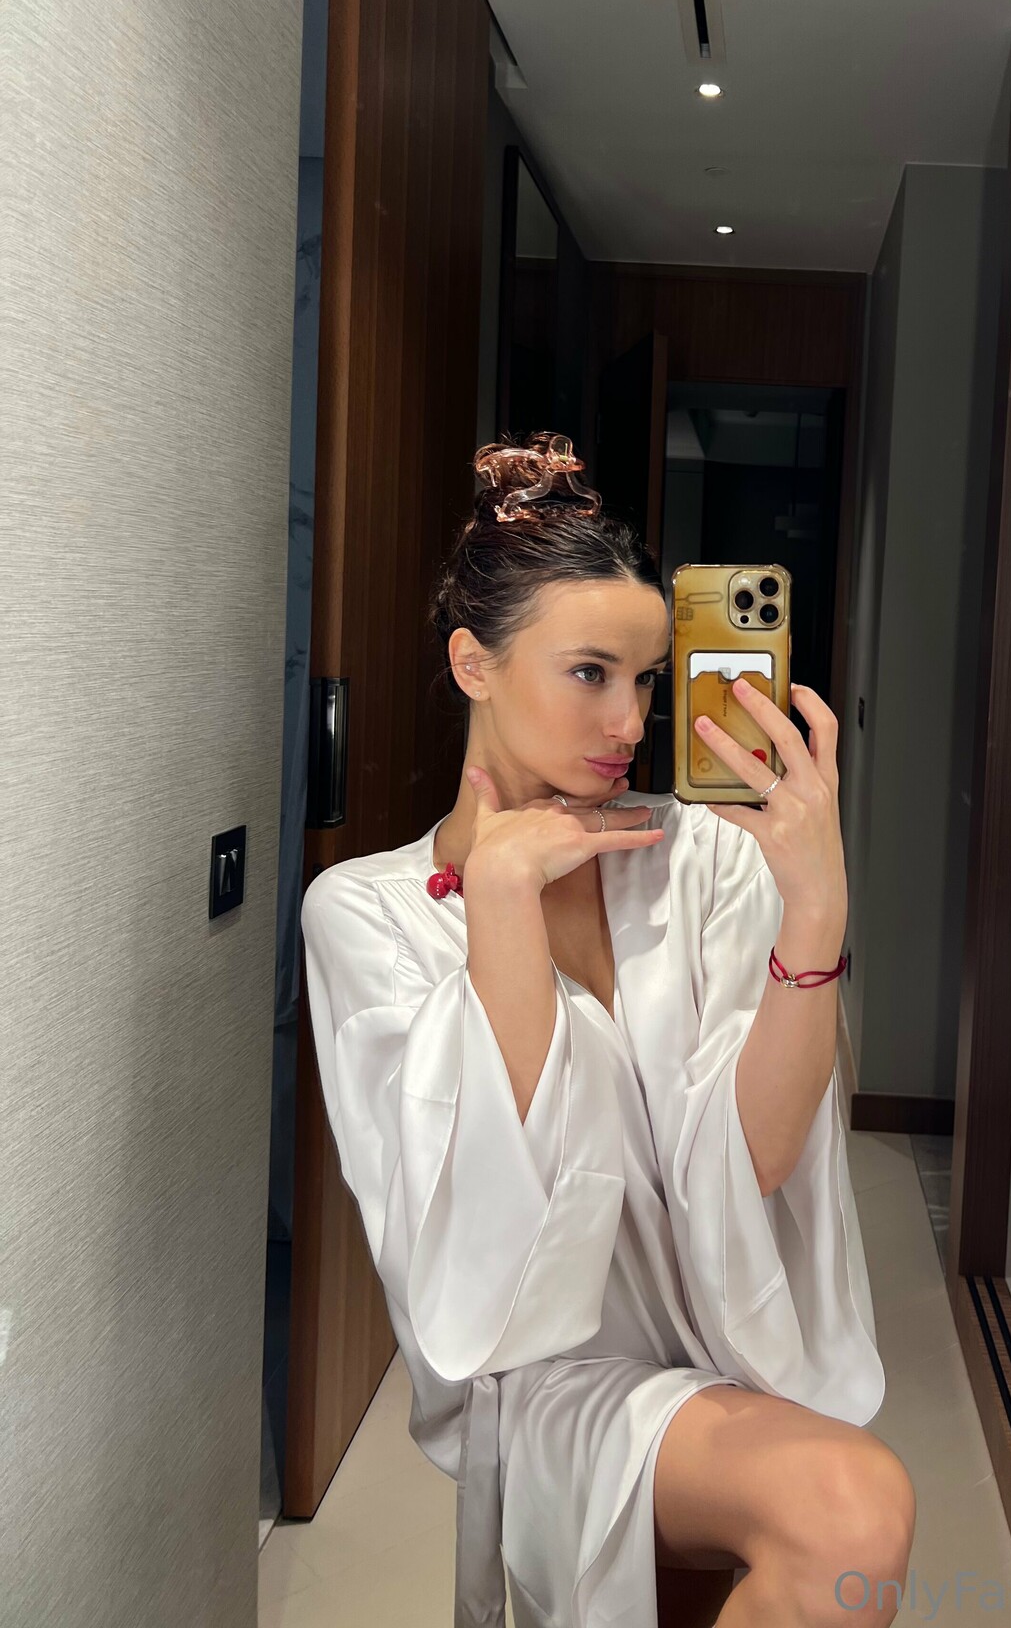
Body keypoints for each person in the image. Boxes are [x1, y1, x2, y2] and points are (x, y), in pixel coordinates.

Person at [300, 431, 915, 1628]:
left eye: (648, 677)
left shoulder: (703, 859)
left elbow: (761, 1158)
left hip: (733, 1331)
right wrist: (500, 903)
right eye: (590, 672)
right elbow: (493, 1232)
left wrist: (816, 904)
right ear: (473, 663)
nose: (630, 718)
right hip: (548, 1375)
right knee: (850, 1512)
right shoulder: (368, 914)